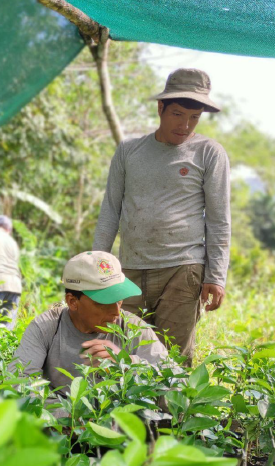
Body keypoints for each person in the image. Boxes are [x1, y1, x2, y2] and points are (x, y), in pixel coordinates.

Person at [92, 68, 230, 366]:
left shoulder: (209, 153)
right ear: (160, 108)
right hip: (129, 269)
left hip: (183, 269)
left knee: (172, 357)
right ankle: (127, 414)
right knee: (121, 351)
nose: (186, 125)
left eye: (194, 117)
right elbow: (111, 210)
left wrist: (216, 276)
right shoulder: (129, 151)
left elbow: (219, 220)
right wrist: (99, 267)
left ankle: (172, 414)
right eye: (178, 114)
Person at [10, 251, 168, 390]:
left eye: (119, 299)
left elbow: (173, 376)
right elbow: (17, 383)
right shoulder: (46, 328)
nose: (116, 312)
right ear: (72, 301)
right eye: (104, 302)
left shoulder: (132, 327)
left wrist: (127, 363)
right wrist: (69, 416)